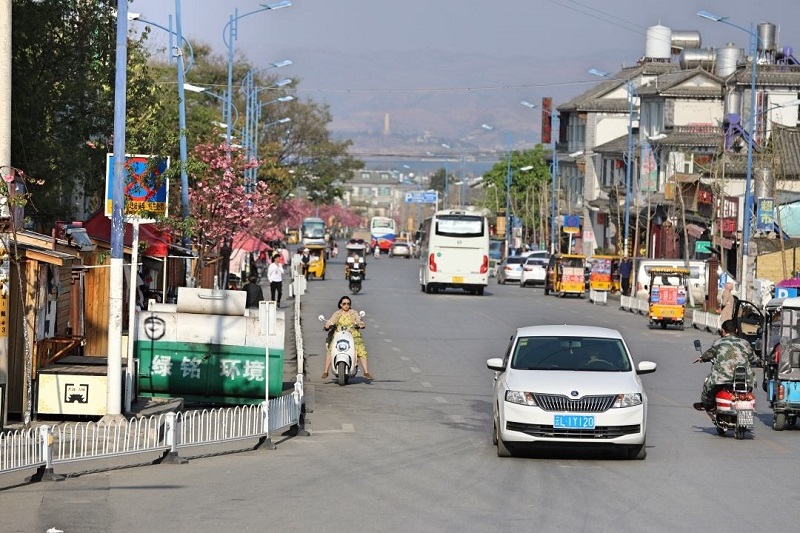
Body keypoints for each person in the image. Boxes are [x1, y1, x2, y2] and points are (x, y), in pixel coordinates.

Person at [693, 319, 760, 412]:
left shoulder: (719, 342)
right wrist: (759, 361)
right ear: (736, 330)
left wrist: (702, 358)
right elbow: (753, 359)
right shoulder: (745, 343)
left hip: (722, 377)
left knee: (708, 385)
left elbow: (710, 354)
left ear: (723, 331)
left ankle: (707, 405)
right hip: (744, 378)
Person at [321, 296, 372, 380]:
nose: (346, 305)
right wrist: (327, 325)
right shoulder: (337, 313)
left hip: (353, 335)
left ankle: (366, 372)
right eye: (344, 304)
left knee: (361, 349)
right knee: (331, 349)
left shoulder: (354, 313)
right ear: (341, 305)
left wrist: (361, 324)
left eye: (348, 304)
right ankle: (325, 371)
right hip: (339, 335)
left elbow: (359, 321)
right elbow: (330, 321)